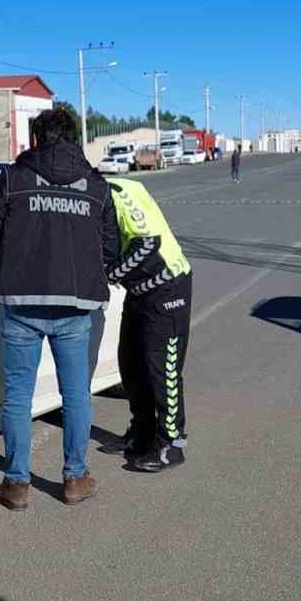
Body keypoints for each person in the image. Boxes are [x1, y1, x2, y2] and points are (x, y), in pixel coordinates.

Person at [0, 106, 120, 510]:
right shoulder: (97, 186)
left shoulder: (11, 179)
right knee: (75, 393)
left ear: (35, 139)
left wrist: (16, 259)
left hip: (21, 301)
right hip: (76, 304)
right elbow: (111, 248)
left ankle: (16, 484)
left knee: (19, 395)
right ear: (73, 139)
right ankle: (75, 478)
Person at [105, 176, 193, 471]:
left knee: (162, 370)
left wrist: (110, 273)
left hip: (168, 285)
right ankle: (142, 432)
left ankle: (172, 444)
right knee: (130, 364)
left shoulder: (116, 192)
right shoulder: (102, 190)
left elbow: (148, 242)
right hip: (139, 289)